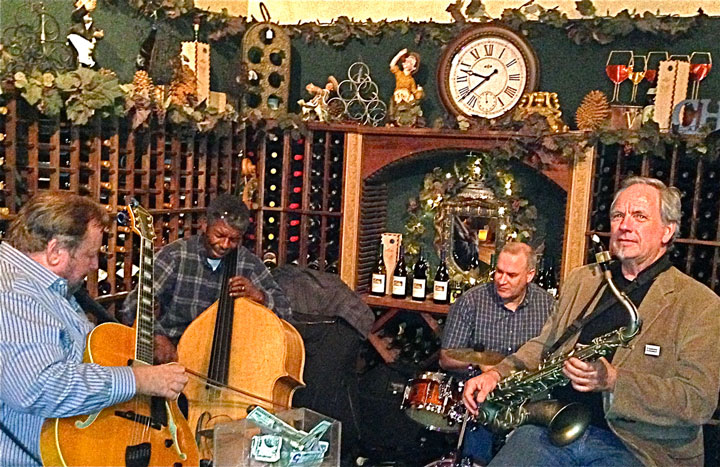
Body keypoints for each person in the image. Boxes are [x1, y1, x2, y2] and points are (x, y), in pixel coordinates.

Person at [463, 177, 720, 466]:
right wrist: (496, 374)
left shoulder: (700, 304)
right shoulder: (584, 280)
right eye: (618, 215)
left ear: (667, 231)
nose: (624, 225)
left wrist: (614, 381)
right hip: (553, 428)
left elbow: (697, 401)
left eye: (639, 216)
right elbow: (545, 345)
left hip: (638, 448)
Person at [0, 192, 187, 466]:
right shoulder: (15, 292)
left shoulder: (47, 288)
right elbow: (38, 387)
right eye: (90, 254)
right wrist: (139, 380)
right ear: (54, 252)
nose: (94, 265)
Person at [121, 193, 292, 364]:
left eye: (233, 240)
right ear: (204, 225)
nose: (225, 245)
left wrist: (259, 296)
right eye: (219, 235)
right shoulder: (175, 255)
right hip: (172, 355)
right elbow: (132, 306)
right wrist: (156, 336)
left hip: (224, 361)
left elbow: (286, 312)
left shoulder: (248, 263)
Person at [440, 242, 555, 463]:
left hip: (526, 397)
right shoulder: (471, 301)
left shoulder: (547, 305)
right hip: (481, 394)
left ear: (529, 275)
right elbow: (446, 358)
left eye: (511, 275)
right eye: (499, 272)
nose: (502, 280)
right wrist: (480, 366)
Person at [388, 48, 424, 126]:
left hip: (406, 98)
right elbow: (392, 65)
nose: (407, 63)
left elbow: (414, 92)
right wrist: (400, 54)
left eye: (410, 62)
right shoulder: (399, 74)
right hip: (398, 97)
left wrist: (419, 91)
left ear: (413, 68)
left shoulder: (411, 80)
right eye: (406, 61)